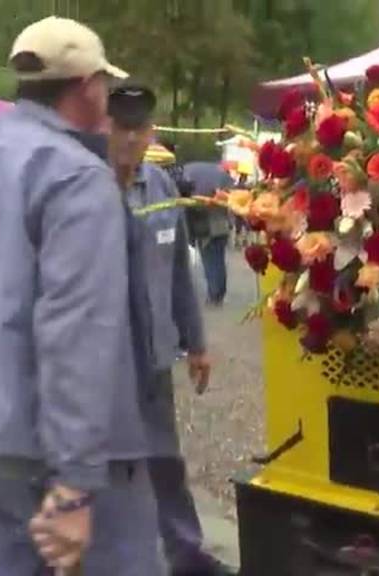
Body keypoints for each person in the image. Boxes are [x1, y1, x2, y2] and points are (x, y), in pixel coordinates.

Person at [0, 16, 161, 574]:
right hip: (51, 461)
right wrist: (75, 484)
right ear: (87, 87)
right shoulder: (75, 177)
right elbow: (78, 332)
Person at [107, 83, 232, 576]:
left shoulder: (160, 186)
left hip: (156, 358)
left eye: (141, 127)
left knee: (164, 460)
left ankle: (187, 554)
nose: (131, 137)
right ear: (104, 126)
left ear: (152, 131)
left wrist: (197, 343)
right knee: (110, 470)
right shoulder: (84, 187)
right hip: (104, 360)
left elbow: (179, 271)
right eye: (122, 126)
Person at [183, 161, 232, 305]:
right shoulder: (221, 179)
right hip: (222, 226)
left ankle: (214, 294)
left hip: (207, 229)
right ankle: (219, 292)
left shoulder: (190, 178)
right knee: (218, 260)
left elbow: (192, 210)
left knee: (210, 262)